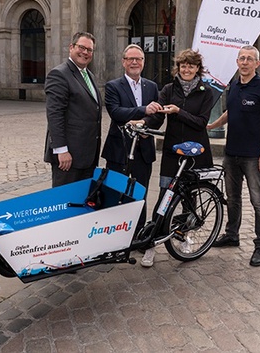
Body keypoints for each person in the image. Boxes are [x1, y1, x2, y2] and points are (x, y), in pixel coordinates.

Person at [133, 48, 217, 267]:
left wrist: (179, 111)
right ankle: (152, 243)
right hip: (173, 152)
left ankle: (184, 236)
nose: (186, 69)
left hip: (196, 152)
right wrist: (145, 127)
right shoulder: (169, 89)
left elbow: (201, 122)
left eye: (191, 65)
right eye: (183, 65)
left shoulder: (206, 91)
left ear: (198, 68)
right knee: (164, 197)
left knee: (190, 198)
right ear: (178, 67)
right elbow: (158, 117)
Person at [207, 45, 260, 267]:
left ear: (257, 63)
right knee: (233, 198)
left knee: (259, 201)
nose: (245, 62)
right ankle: (231, 234)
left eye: (249, 59)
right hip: (232, 153)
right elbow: (231, 112)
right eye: (241, 58)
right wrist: (212, 125)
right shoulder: (234, 86)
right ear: (237, 62)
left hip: (253, 156)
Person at [43, 32, 102, 187]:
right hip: (68, 158)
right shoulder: (59, 74)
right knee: (64, 205)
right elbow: (55, 115)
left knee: (81, 204)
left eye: (89, 50)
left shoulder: (89, 75)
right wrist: (61, 150)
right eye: (81, 47)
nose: (85, 52)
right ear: (71, 47)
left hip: (87, 157)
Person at [101, 44, 162, 193]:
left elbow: (158, 116)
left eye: (138, 59)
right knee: (114, 196)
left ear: (143, 61)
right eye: (130, 59)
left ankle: (139, 218)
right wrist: (144, 110)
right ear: (123, 62)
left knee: (140, 196)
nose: (134, 62)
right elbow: (116, 112)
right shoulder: (112, 86)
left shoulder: (152, 87)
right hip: (119, 151)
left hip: (144, 152)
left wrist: (144, 124)